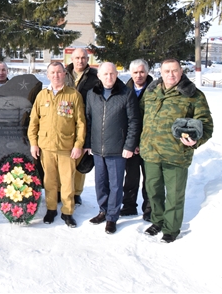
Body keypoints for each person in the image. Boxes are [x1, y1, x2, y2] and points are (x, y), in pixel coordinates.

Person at [140, 58, 213, 243]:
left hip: (176, 155)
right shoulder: (151, 92)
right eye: (167, 71)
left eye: (174, 71)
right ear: (160, 73)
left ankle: (171, 229)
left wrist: (195, 140)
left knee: (174, 194)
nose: (171, 75)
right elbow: (140, 117)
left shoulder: (193, 95)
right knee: (153, 191)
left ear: (181, 71)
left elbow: (206, 125)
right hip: (151, 153)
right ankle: (157, 221)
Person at [85, 62, 141, 234]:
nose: (109, 77)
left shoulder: (126, 94)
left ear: (117, 75)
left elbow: (134, 122)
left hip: (118, 149)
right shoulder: (92, 94)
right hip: (97, 148)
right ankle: (103, 210)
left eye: (112, 74)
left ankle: (112, 217)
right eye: (105, 74)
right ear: (99, 76)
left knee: (116, 185)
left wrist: (129, 145)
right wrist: (88, 144)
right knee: (100, 182)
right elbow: (88, 120)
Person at [28, 62, 86, 228]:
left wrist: (78, 145)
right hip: (46, 147)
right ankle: (51, 209)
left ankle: (68, 212)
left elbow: (81, 123)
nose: (56, 75)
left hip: (66, 147)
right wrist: (33, 143)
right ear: (48, 75)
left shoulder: (73, 95)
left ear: (64, 74)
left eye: (59, 72)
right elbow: (34, 122)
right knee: (50, 181)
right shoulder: (41, 96)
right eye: (52, 73)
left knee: (68, 182)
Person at [65, 48, 99, 205]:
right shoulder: (64, 74)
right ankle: (63, 190)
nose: (80, 61)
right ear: (71, 58)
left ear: (88, 59)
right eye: (77, 57)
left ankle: (77, 192)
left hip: (84, 121)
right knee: (64, 160)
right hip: (64, 122)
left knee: (79, 159)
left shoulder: (95, 78)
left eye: (84, 58)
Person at [121, 59, 153, 220]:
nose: (139, 75)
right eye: (135, 72)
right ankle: (128, 206)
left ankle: (149, 209)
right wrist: (131, 144)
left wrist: (142, 143)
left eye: (142, 72)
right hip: (130, 144)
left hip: (150, 144)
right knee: (131, 177)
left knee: (150, 179)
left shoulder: (155, 91)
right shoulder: (124, 91)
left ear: (147, 72)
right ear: (130, 73)